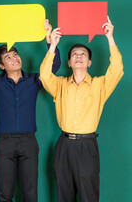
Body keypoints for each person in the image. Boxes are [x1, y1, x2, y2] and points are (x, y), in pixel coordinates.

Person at [39, 16, 124, 202]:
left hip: (87, 146)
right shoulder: (59, 85)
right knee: (64, 194)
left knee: (89, 196)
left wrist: (110, 37)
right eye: (74, 54)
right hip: (64, 144)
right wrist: (52, 45)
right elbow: (44, 76)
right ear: (69, 62)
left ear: (89, 63)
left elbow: (117, 70)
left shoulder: (99, 85)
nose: (79, 56)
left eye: (83, 54)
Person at [0, 20, 61, 202]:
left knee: (30, 193)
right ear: (2, 66)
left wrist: (50, 41)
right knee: (5, 194)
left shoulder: (34, 80)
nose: (14, 58)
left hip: (29, 141)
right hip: (5, 143)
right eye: (8, 58)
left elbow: (53, 67)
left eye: (15, 54)